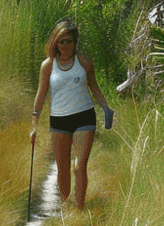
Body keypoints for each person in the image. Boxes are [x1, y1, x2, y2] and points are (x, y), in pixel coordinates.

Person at [30, 20, 114, 211]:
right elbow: (41, 93)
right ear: (55, 43)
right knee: (63, 170)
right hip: (59, 120)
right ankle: (65, 206)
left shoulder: (84, 62)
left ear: (75, 42)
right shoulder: (48, 66)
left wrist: (106, 109)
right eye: (60, 41)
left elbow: (94, 87)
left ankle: (80, 208)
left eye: (68, 41)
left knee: (79, 166)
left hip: (84, 117)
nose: (64, 45)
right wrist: (34, 124)